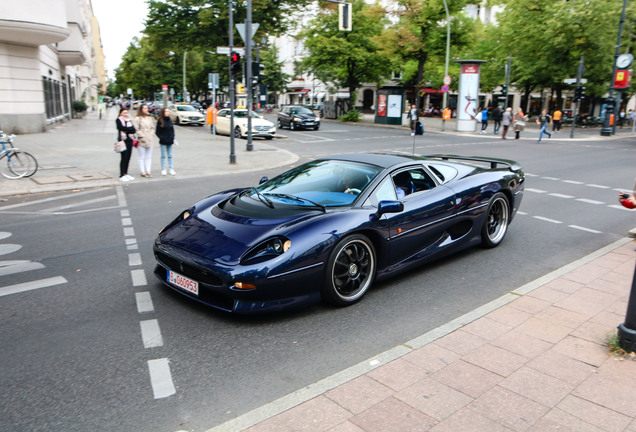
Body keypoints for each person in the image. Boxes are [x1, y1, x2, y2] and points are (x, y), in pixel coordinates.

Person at [133, 103, 155, 178]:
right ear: (141, 109)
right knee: (141, 156)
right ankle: (142, 171)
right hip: (142, 139)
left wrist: (151, 134)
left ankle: (148, 170)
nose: (147, 109)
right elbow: (136, 129)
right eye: (145, 108)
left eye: (147, 108)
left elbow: (152, 127)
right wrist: (141, 135)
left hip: (149, 138)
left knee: (149, 156)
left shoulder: (149, 118)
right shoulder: (138, 119)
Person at [116, 107, 136, 182]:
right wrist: (129, 129)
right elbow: (120, 127)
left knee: (128, 157)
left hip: (130, 140)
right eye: (124, 112)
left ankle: (126, 173)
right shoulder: (119, 119)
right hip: (123, 141)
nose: (125, 114)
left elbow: (133, 130)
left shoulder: (129, 120)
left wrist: (127, 129)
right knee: (124, 158)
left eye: (126, 112)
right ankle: (121, 174)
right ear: (121, 113)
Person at [155, 107, 176, 176]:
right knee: (163, 155)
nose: (168, 113)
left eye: (168, 111)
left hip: (170, 140)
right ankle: (163, 169)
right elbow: (157, 132)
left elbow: (172, 130)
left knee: (170, 155)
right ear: (163, 113)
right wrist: (162, 138)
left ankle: (171, 168)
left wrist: (172, 138)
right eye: (166, 111)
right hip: (163, 141)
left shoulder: (169, 120)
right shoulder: (160, 121)